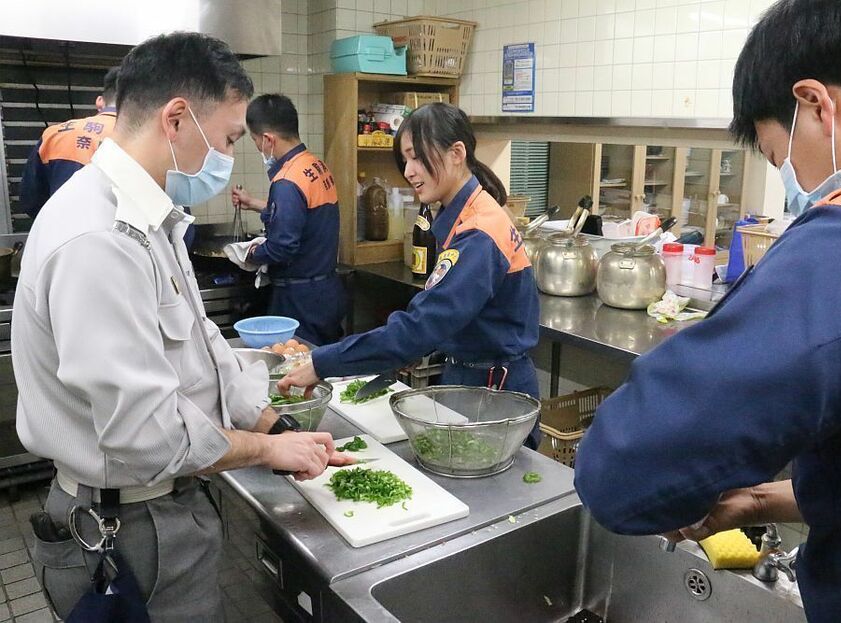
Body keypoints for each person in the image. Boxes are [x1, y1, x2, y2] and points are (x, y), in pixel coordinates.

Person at [574, 1, 841, 620]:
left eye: (778, 157)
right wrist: (780, 500)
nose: (795, 179)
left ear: (817, 104)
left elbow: (631, 467)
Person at [13, 32, 349, 622]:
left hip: (161, 510)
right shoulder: (99, 238)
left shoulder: (151, 221)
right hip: (127, 528)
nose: (224, 158)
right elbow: (149, 437)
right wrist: (269, 449)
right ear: (175, 120)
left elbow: (205, 345)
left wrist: (275, 423)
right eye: (225, 139)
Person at [279, 103, 542, 447]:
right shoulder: (463, 216)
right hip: (471, 379)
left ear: (456, 153)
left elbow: (422, 325)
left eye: (418, 158)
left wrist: (322, 361)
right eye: (405, 160)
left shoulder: (479, 233)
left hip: (493, 393)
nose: (410, 171)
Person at [231, 94, 346, 345]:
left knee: (296, 369)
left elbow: (282, 246)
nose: (258, 148)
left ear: (268, 139)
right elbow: (307, 217)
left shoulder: (287, 180)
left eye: (255, 141)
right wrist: (253, 203)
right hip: (326, 291)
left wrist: (248, 255)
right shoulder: (316, 166)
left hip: (299, 299)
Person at [18, 66, 120, 219]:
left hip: (59, 235)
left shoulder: (54, 134)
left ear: (100, 100)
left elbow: (30, 201)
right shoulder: (140, 140)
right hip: (118, 238)